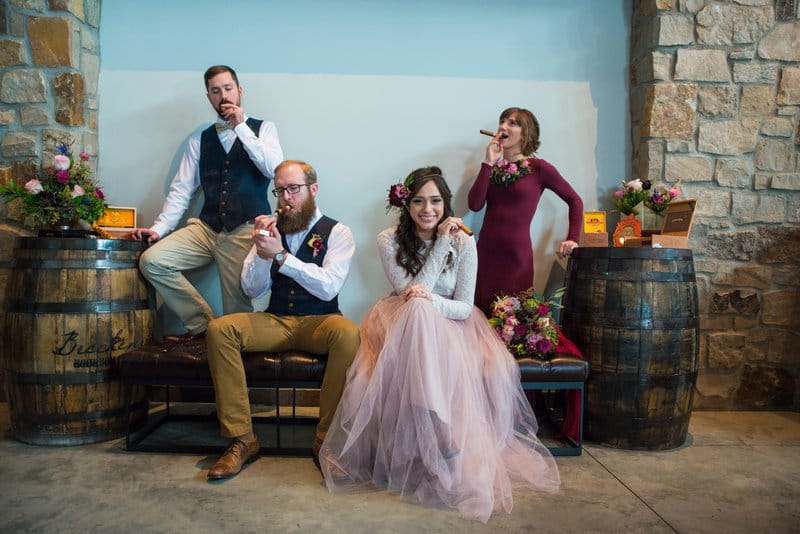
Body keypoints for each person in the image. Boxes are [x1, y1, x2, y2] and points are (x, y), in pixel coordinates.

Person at [319, 167, 560, 523]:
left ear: (446, 204)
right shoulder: (389, 239)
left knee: (422, 306)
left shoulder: (464, 240)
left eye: (435, 201)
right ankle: (441, 429)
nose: (427, 209)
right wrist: (438, 254)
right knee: (415, 306)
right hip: (399, 320)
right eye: (418, 201)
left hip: (452, 321)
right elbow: (410, 292)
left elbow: (463, 305)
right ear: (406, 204)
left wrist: (437, 281)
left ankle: (433, 423)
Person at [204, 160, 359, 480]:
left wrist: (281, 257)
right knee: (221, 329)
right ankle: (242, 439)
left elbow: (329, 284)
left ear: (312, 190)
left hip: (321, 321)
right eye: (280, 190)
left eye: (293, 189)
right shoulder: (270, 228)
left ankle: (324, 440)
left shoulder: (338, 232)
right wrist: (262, 252)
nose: (285, 197)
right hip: (277, 320)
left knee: (349, 334)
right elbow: (252, 288)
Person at [132, 65, 284, 342]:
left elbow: (274, 169)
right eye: (216, 91)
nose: (223, 95)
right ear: (209, 97)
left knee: (236, 313)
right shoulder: (199, 139)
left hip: (244, 229)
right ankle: (203, 325)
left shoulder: (264, 129)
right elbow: (182, 190)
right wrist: (159, 228)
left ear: (239, 91)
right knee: (152, 261)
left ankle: (230, 353)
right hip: (206, 228)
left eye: (228, 88)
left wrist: (241, 128)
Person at [468, 107, 583, 315]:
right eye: (502, 121)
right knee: (480, 320)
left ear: (526, 132)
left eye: (512, 123)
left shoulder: (539, 168)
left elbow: (575, 200)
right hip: (484, 256)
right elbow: (474, 204)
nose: (503, 126)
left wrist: (573, 238)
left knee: (512, 325)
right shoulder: (492, 169)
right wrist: (487, 162)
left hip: (516, 258)